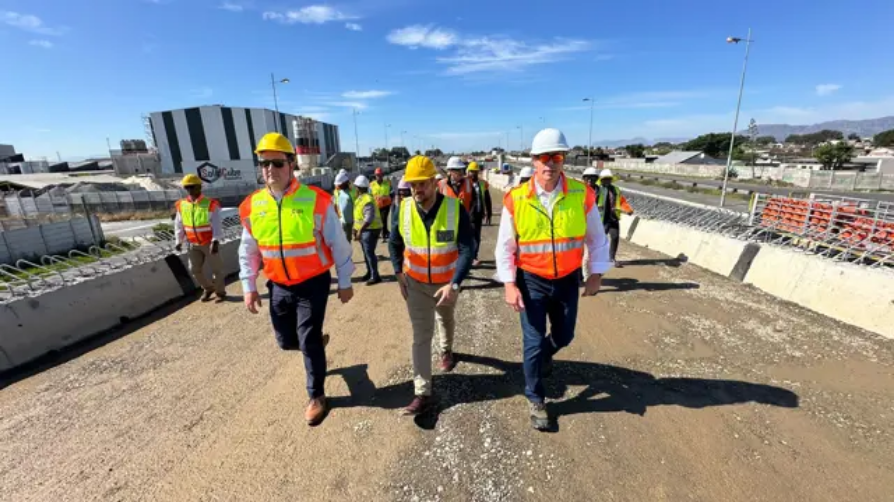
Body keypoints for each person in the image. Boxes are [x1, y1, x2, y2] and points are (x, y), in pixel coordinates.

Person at [494, 128, 612, 431]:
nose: (550, 163)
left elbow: (597, 239)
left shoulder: (580, 194)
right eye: (544, 157)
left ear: (564, 159)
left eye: (556, 156)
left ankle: (546, 354)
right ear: (534, 160)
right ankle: (536, 398)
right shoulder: (516, 198)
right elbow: (505, 246)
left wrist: (595, 273)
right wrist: (509, 283)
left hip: (567, 280)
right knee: (532, 342)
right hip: (531, 281)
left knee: (565, 336)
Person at [238, 132, 355, 426]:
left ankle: (316, 396)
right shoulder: (252, 205)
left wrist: (344, 281)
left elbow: (338, 244)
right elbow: (249, 250)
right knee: (285, 341)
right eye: (264, 163)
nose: (270, 170)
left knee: (308, 338)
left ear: (292, 164)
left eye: (277, 163)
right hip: (277, 285)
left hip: (312, 284)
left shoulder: (316, 200)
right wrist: (248, 286)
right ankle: (313, 344)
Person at [389, 155, 475, 416]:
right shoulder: (403, 208)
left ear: (434, 183)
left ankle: (447, 350)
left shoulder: (453, 208)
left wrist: (455, 284)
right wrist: (398, 274)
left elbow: (467, 248)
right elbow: (394, 243)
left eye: (422, 184)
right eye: (413, 185)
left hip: (445, 284)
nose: (417, 190)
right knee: (421, 337)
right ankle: (422, 392)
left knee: (445, 319)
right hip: (414, 284)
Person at [174, 174, 226, 302]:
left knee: (216, 269)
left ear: (199, 187)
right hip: (192, 243)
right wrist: (179, 241)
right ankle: (208, 288)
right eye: (187, 187)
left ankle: (220, 292)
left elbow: (217, 224)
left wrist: (216, 241)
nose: (190, 190)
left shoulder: (210, 204)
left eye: (192, 187)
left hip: (209, 242)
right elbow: (179, 224)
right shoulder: (181, 204)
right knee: (194, 269)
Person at [596, 168, 633, 267]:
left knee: (615, 237)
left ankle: (611, 259)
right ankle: (597, 259)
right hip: (601, 219)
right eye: (605, 179)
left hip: (613, 217)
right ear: (601, 179)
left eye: (609, 179)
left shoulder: (616, 189)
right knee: (600, 240)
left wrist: (628, 209)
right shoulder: (597, 189)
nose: (607, 180)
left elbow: (622, 202)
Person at [353, 175, 383, 285]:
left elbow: (369, 218)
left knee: (369, 253)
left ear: (358, 188)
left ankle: (375, 276)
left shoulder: (367, 200)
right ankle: (370, 272)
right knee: (366, 253)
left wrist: (360, 230)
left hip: (370, 229)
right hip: (365, 230)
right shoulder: (360, 199)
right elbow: (358, 216)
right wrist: (355, 229)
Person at [466, 161, 492, 267]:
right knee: (469, 237)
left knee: (476, 237)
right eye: (471, 171)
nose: (473, 174)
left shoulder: (482, 183)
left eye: (475, 172)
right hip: (467, 215)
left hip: (478, 214)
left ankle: (474, 257)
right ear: (468, 172)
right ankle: (469, 257)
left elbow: (487, 198)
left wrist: (489, 212)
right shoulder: (464, 183)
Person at [370, 167, 394, 242]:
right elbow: (369, 195)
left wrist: (391, 199)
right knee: (379, 220)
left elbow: (392, 192)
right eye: (377, 175)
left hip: (386, 205)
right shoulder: (372, 184)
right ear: (375, 175)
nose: (379, 176)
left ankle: (384, 235)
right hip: (376, 206)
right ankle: (384, 232)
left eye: (380, 175)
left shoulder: (387, 183)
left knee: (383, 219)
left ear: (382, 175)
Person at [334, 172, 354, 243]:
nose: (337, 186)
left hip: (351, 221)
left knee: (347, 240)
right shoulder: (339, 192)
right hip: (342, 220)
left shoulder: (352, 192)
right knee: (345, 240)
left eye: (339, 184)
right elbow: (336, 204)